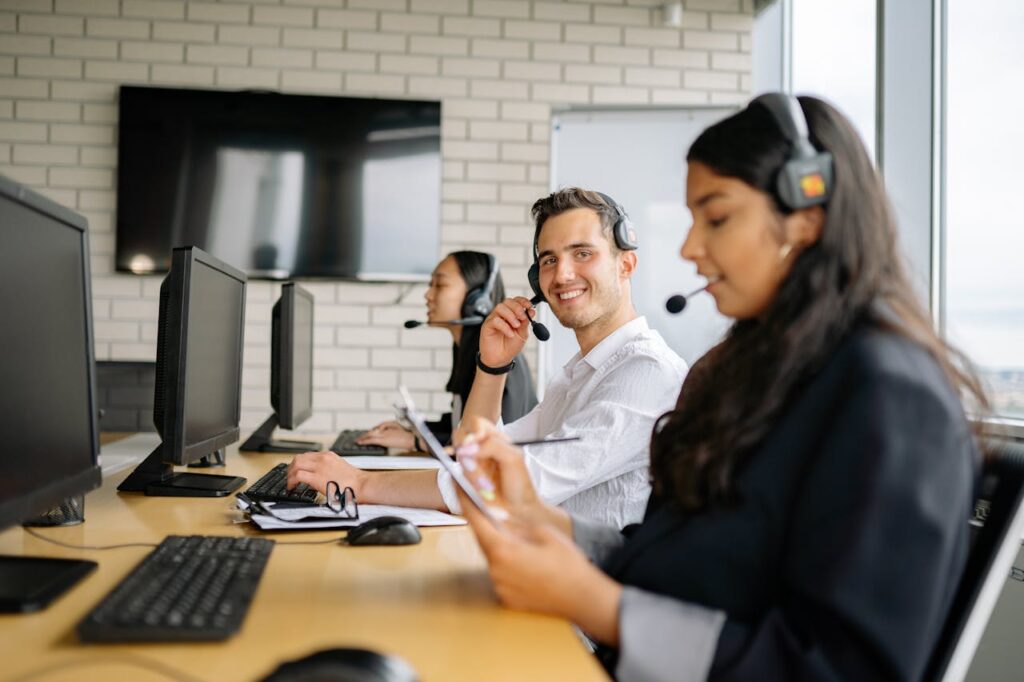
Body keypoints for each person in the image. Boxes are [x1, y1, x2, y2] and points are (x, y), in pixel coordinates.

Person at [454, 94, 988, 681]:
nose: (689, 248)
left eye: (717, 217)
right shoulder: (751, 374)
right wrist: (545, 520)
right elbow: (684, 557)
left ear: (807, 212)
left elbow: (841, 668)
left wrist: (596, 606)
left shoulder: (890, 398)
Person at [288, 189, 688, 527]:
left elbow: (500, 484)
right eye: (549, 259)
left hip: (578, 612)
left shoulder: (644, 373)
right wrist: (492, 365)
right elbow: (472, 455)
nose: (562, 274)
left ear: (626, 264)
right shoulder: (580, 375)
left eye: (582, 253)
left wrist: (361, 484)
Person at [354, 251, 536, 450]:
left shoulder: (497, 358)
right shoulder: (468, 346)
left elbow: (492, 441)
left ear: (476, 300)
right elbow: (462, 420)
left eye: (439, 285)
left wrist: (414, 441)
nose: (428, 295)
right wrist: (416, 429)